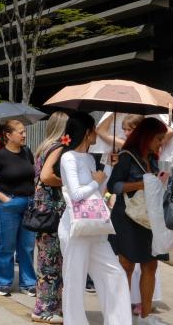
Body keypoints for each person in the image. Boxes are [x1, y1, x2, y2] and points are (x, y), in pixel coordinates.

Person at [57, 112, 132, 325]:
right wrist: (95, 180)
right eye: (93, 130)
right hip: (75, 227)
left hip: (95, 226)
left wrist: (108, 166)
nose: (96, 135)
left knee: (114, 274)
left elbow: (99, 191)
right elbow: (76, 194)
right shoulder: (68, 157)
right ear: (87, 132)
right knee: (75, 280)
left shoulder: (89, 158)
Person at [107, 117, 168, 324]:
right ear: (147, 136)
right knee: (127, 265)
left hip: (150, 218)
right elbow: (113, 186)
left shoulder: (152, 159)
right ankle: (120, 316)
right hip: (128, 217)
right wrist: (141, 184)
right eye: (159, 138)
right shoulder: (126, 157)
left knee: (151, 266)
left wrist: (159, 180)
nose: (161, 142)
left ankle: (146, 316)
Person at [0, 119, 36, 297]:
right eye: (20, 132)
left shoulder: (27, 152)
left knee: (27, 246)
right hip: (8, 205)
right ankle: (3, 281)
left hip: (28, 203)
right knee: (6, 245)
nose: (24, 134)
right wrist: (4, 199)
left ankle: (28, 282)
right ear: (8, 136)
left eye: (24, 131)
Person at [31, 111, 68, 324]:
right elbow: (46, 176)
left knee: (46, 260)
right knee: (52, 262)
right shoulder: (58, 147)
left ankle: (44, 306)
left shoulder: (44, 147)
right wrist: (65, 181)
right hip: (53, 212)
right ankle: (45, 309)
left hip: (43, 211)